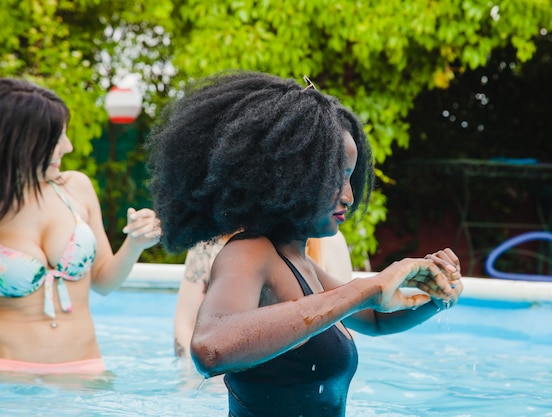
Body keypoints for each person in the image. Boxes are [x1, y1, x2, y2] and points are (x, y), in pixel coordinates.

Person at [147, 70, 463, 417]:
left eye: (349, 177)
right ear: (290, 177)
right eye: (334, 178)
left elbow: (374, 319)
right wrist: (366, 287)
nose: (349, 196)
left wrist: (435, 295)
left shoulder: (299, 262)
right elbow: (210, 348)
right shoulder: (250, 252)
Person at [0, 78, 161, 375]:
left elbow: (102, 281)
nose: (68, 146)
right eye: (56, 138)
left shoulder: (76, 188)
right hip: (8, 377)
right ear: (20, 141)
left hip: (85, 372)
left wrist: (136, 243)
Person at [173, 232, 353, 359]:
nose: (347, 197)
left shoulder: (330, 242)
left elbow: (344, 328)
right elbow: (184, 325)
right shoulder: (207, 243)